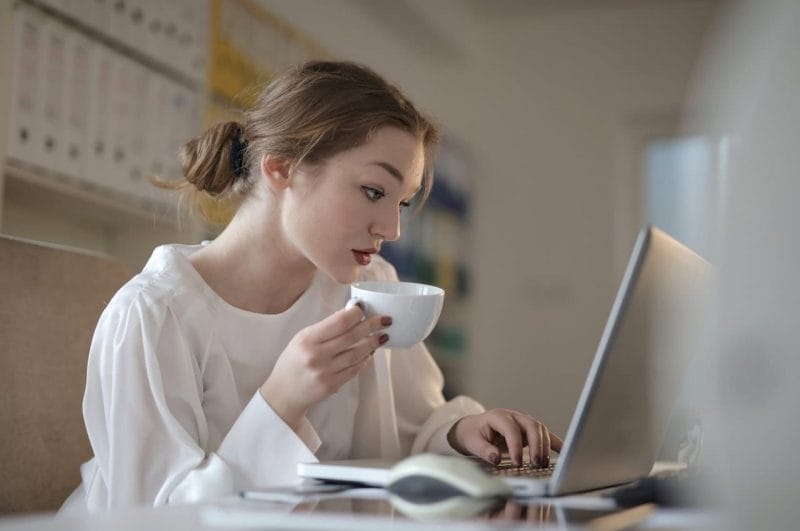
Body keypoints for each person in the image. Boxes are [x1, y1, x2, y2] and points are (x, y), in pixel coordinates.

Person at [63, 61, 562, 512]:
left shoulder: (370, 287)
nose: (392, 229)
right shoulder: (154, 314)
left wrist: (460, 431)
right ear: (281, 167)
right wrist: (282, 399)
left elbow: (415, 423)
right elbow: (149, 517)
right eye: (373, 192)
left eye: (402, 203)